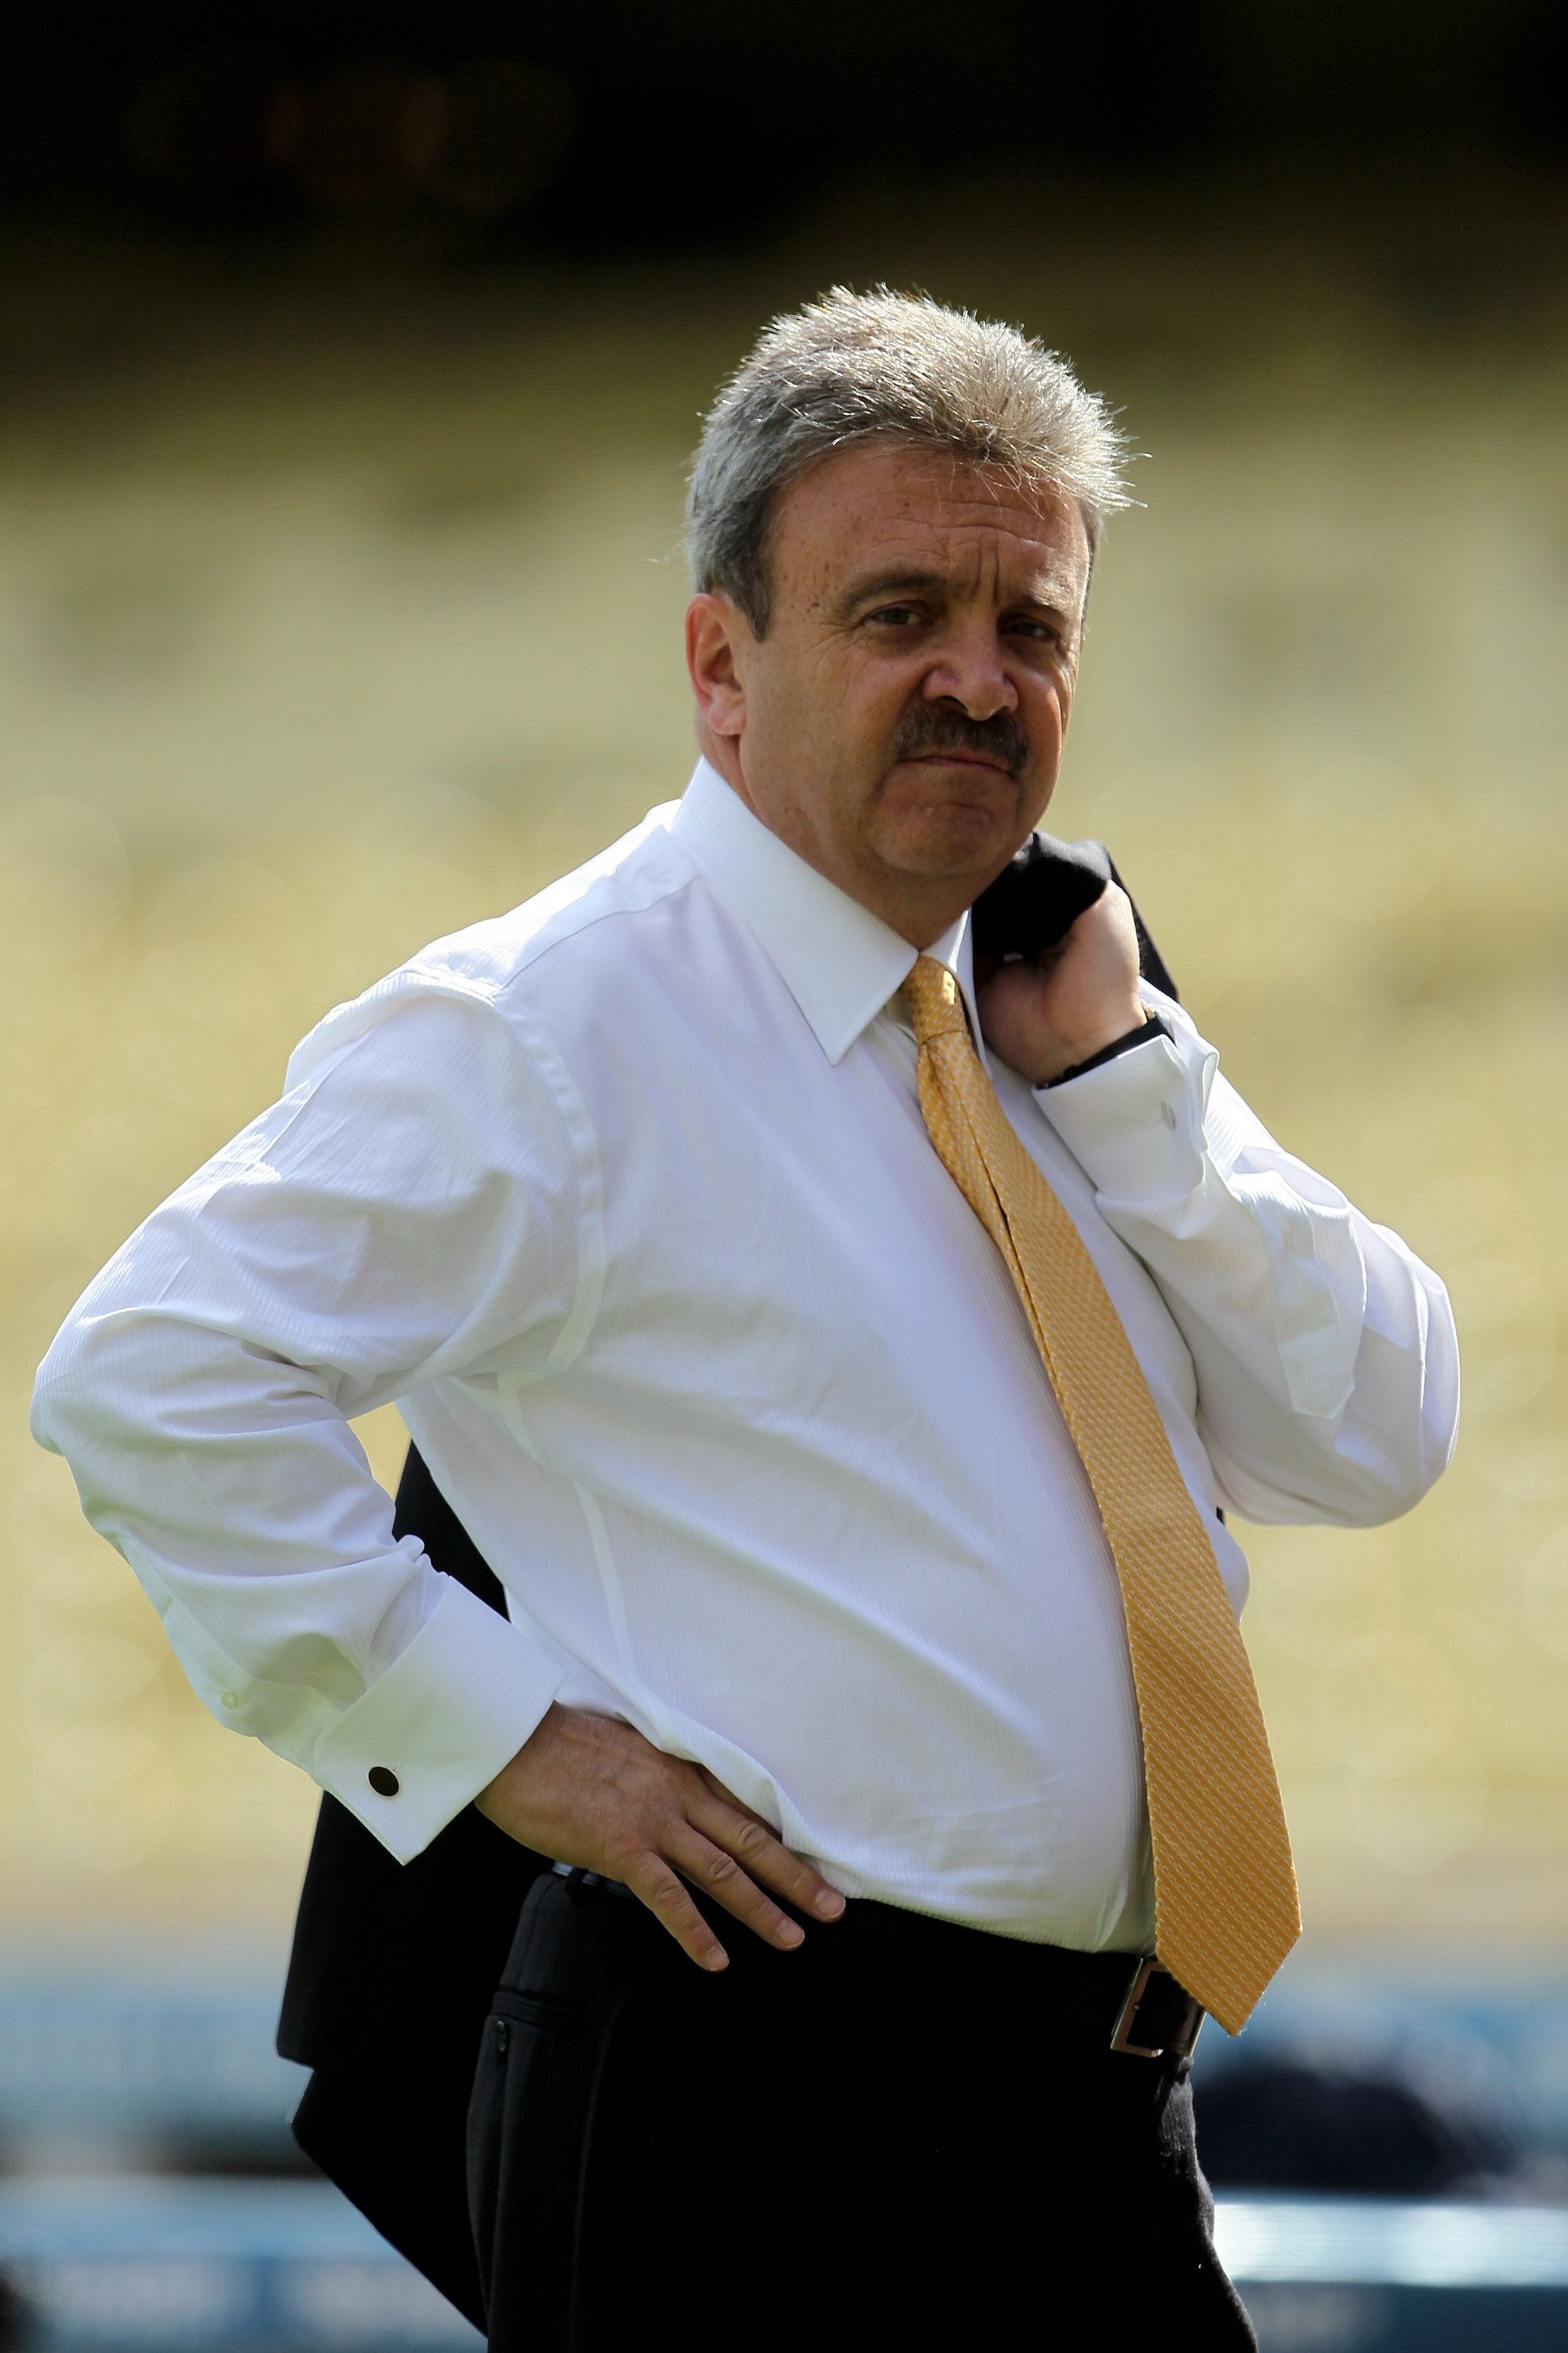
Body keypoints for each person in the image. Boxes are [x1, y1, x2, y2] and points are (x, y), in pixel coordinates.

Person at [32, 289, 1459, 2350]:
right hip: (757, 2102)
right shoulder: (551, 1024)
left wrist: (1140, 1086)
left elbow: (1381, 1432)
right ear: (724, 666)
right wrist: (497, 1735)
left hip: (1096, 2112)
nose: (980, 681)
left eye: (1031, 626)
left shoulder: (1057, 1013)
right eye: (900, 617)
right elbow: (149, 1373)